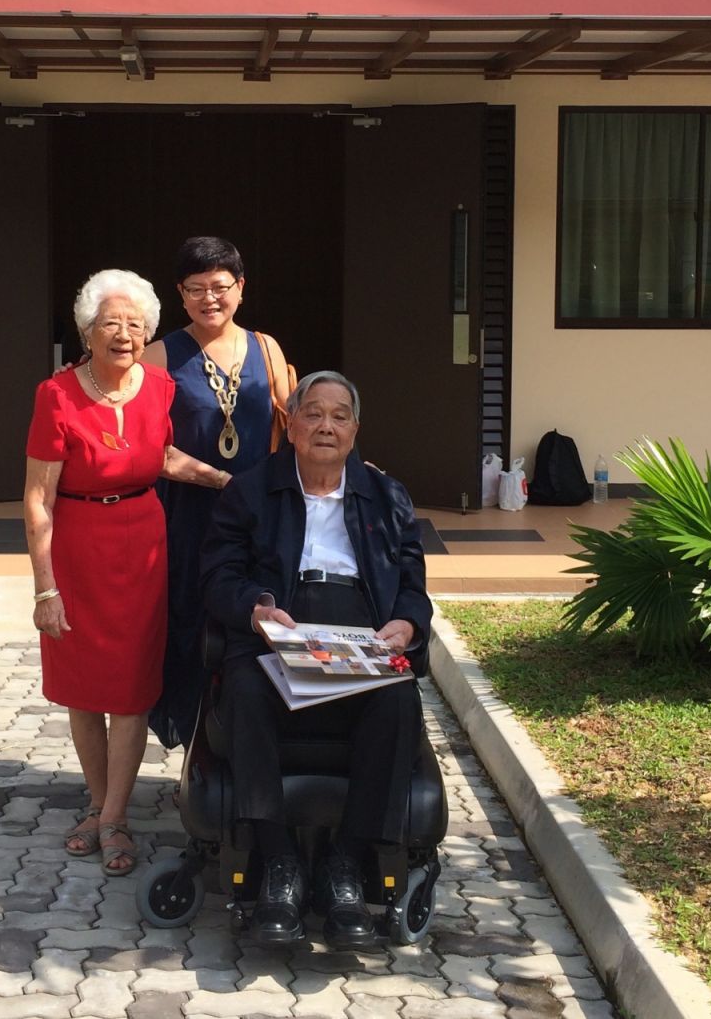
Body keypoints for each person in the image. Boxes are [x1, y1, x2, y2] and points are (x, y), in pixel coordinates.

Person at [200, 371, 431, 949]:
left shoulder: (387, 495)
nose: (326, 425)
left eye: (340, 415)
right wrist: (254, 610)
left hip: (361, 627)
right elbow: (218, 577)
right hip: (281, 628)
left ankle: (347, 865)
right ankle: (278, 864)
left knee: (397, 696)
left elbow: (411, 585)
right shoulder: (250, 491)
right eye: (314, 414)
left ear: (355, 429)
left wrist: (406, 624)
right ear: (291, 424)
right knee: (247, 687)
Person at [24, 268, 230, 876]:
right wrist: (45, 588)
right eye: (110, 324)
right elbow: (38, 497)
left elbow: (160, 456)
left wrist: (228, 483)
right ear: (88, 333)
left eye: (135, 325)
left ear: (148, 333)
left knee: (133, 689)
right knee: (84, 690)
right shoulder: (56, 395)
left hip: (141, 548)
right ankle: (101, 805)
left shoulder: (161, 387)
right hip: (78, 549)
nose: (124, 335)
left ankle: (112, 816)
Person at [142, 236, 292, 750]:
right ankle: (198, 748)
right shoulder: (158, 355)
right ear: (180, 295)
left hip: (256, 520)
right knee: (188, 627)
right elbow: (149, 448)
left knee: (252, 624)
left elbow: (292, 426)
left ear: (241, 288)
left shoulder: (266, 348)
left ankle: (243, 742)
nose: (210, 298)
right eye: (196, 288)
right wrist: (225, 482)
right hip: (185, 518)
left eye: (221, 287)